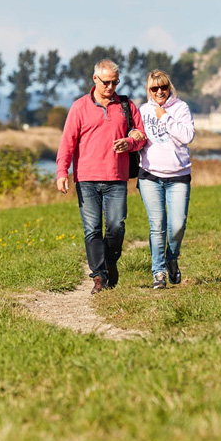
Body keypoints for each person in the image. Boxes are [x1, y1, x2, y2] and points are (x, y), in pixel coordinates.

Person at [56, 59, 147, 294]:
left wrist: (128, 143)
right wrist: (61, 172)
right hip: (86, 179)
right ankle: (99, 276)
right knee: (92, 229)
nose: (111, 87)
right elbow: (67, 142)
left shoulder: (126, 106)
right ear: (95, 79)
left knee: (116, 226)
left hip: (116, 177)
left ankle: (111, 261)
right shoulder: (79, 107)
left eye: (115, 82)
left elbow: (141, 136)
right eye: (106, 82)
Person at [137, 69, 195, 290]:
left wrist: (165, 117)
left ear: (169, 87)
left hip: (178, 176)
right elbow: (138, 136)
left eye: (163, 87)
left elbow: (188, 136)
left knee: (178, 225)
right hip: (150, 176)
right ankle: (158, 272)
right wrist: (134, 135)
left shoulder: (181, 108)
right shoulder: (143, 111)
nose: (159, 91)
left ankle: (172, 256)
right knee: (157, 225)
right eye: (154, 88)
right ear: (149, 90)